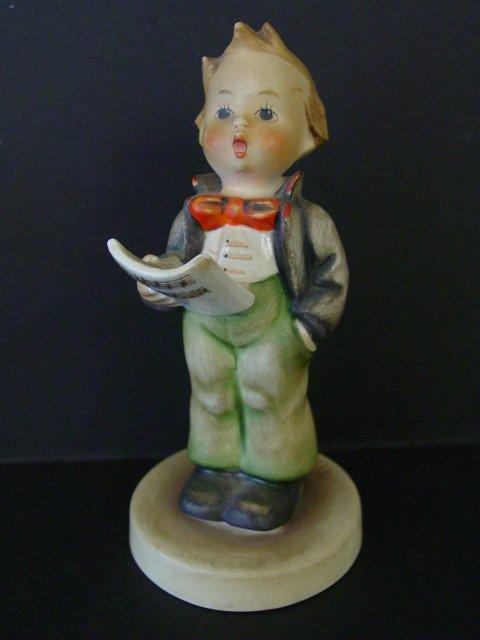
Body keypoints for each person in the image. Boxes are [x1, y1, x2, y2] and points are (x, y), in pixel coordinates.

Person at [138, 22, 348, 531]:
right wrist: (159, 280)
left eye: (266, 113)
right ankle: (215, 467)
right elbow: (176, 256)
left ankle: (272, 476)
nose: (240, 127)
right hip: (204, 320)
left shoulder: (308, 220)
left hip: (272, 325)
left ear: (307, 134)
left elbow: (332, 276)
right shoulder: (194, 211)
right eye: (224, 110)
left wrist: (304, 330)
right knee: (210, 389)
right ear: (202, 125)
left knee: (266, 393)